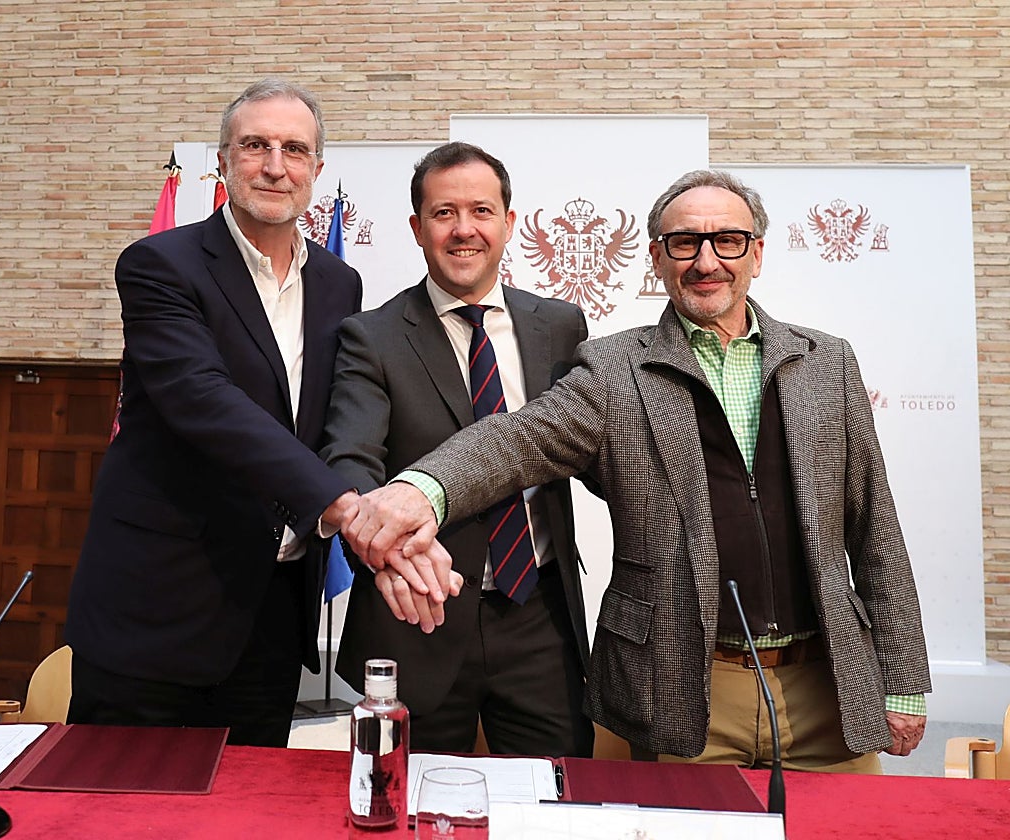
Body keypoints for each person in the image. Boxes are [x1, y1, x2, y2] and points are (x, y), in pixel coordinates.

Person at [343, 169, 931, 772]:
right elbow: (515, 441)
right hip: (686, 692)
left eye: (727, 240)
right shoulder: (615, 368)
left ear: (757, 252)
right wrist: (419, 493)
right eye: (684, 243)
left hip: (825, 686)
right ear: (656, 258)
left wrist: (905, 678)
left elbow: (874, 528)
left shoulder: (826, 362)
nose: (707, 261)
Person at [64, 79, 368, 747]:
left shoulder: (339, 283)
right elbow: (202, 398)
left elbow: (332, 418)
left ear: (317, 169)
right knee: (121, 809)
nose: (274, 164)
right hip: (157, 611)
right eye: (255, 144)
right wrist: (346, 507)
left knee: (247, 808)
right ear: (224, 162)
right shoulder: (161, 264)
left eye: (294, 149)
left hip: (271, 611)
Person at [321, 142, 593, 757]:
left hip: (539, 618)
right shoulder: (373, 336)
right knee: (404, 805)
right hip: (418, 612)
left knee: (556, 803)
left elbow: (583, 443)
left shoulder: (560, 327)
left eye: (481, 211)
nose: (464, 230)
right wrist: (381, 543)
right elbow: (351, 459)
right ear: (417, 228)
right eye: (444, 213)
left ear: (509, 223)